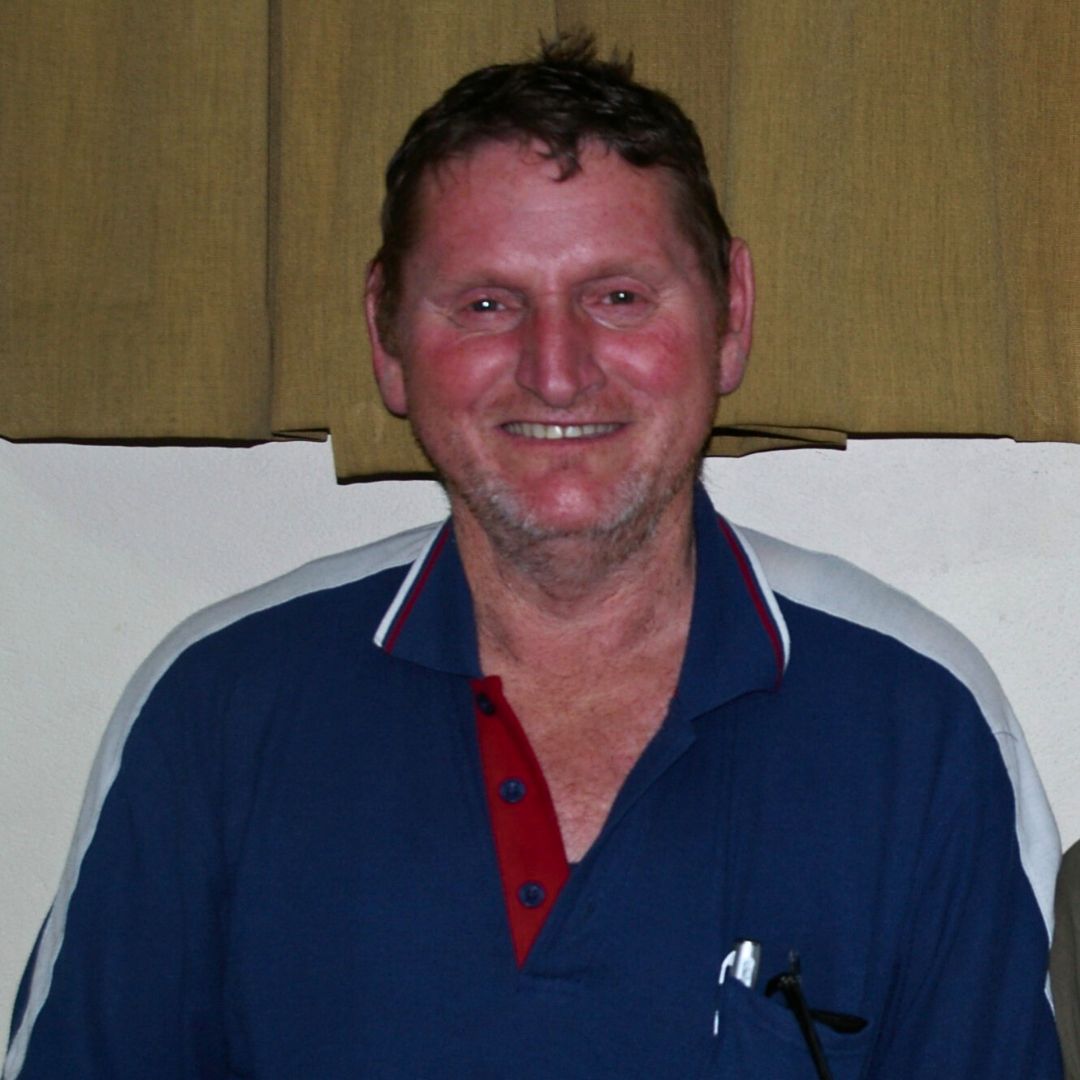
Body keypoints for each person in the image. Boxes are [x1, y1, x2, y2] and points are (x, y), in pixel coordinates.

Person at [5, 32, 1062, 1079]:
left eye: (619, 297)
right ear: (385, 337)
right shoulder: (218, 710)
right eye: (486, 304)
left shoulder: (918, 722)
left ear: (732, 314)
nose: (556, 372)